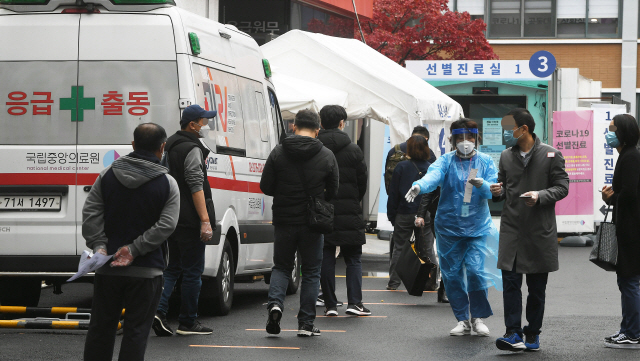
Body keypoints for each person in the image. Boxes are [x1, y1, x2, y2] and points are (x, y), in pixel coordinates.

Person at [82, 123, 180, 361]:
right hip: (147, 271)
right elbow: (166, 225)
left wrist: (99, 246)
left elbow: (91, 214)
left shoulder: (107, 175)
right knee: (136, 332)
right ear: (162, 147)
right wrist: (135, 249)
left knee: (100, 330)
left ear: (133, 145)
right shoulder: (168, 183)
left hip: (107, 268)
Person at [405, 118, 501, 337]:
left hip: (477, 227)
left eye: (469, 137)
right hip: (449, 227)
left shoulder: (485, 161)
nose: (465, 142)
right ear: (453, 140)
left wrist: (484, 185)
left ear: (476, 138)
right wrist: (419, 186)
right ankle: (462, 319)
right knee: (452, 275)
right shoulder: (446, 161)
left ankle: (477, 318)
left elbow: (492, 190)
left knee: (476, 271)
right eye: (460, 138)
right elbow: (433, 176)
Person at [490, 109, 569, 352]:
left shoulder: (551, 154)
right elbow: (504, 186)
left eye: (508, 128)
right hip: (512, 230)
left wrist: (541, 195)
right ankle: (512, 332)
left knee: (536, 289)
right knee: (511, 286)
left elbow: (562, 187)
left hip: (538, 232)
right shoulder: (505, 156)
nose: (505, 133)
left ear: (523, 129)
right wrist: (497, 191)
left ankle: (532, 333)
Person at [260, 109, 339, 337]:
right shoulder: (326, 155)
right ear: (317, 130)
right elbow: (333, 190)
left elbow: (266, 186)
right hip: (313, 222)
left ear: (293, 126)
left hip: (284, 219)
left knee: (282, 266)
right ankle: (305, 323)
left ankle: (275, 304)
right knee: (312, 271)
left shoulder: (278, 152)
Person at [152, 104, 216, 337]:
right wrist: (205, 220)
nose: (206, 126)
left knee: (171, 268)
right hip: (189, 219)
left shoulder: (167, 145)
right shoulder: (192, 148)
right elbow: (195, 185)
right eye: (204, 121)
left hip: (169, 217)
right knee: (192, 271)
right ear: (192, 124)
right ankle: (188, 322)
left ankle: (158, 311)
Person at [317, 105, 370, 317]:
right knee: (353, 258)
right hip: (349, 209)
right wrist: (352, 201)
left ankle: (329, 304)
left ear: (320, 122)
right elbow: (362, 183)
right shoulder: (354, 150)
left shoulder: (315, 147)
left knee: (325, 255)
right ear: (342, 123)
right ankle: (355, 303)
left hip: (321, 210)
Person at [601, 113, 640, 349]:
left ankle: (633, 333)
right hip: (629, 226)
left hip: (631, 229)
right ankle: (628, 329)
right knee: (626, 280)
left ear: (623, 132)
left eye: (612, 129)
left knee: (629, 280)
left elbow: (630, 193)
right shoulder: (627, 155)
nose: (609, 133)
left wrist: (612, 196)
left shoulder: (631, 157)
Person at [386, 135, 433, 291]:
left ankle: (394, 282)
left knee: (399, 247)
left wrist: (392, 215)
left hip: (404, 212)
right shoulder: (431, 168)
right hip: (425, 214)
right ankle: (431, 282)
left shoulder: (401, 167)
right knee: (426, 248)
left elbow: (393, 194)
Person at [384, 125, 437, 193]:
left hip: (398, 196)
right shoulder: (429, 153)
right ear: (426, 139)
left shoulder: (394, 150)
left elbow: (387, 175)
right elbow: (433, 179)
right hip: (419, 198)